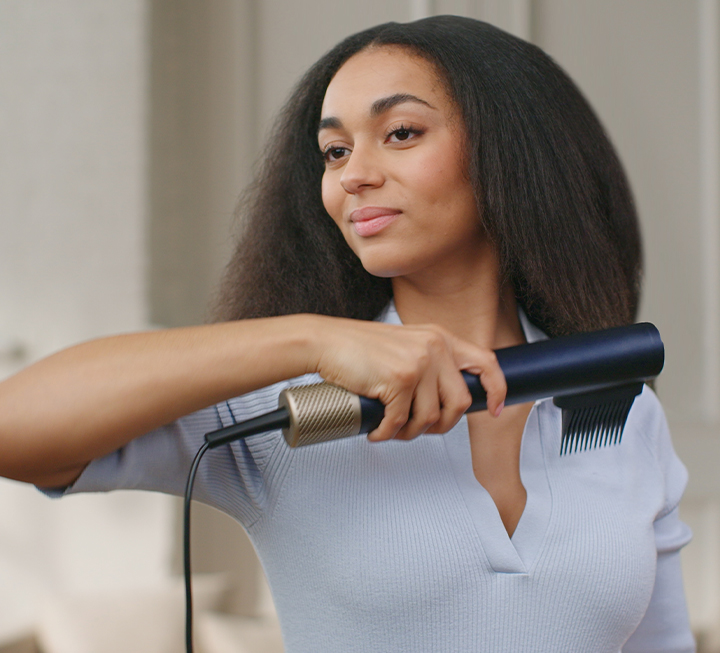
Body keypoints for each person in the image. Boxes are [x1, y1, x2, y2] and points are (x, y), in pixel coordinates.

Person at [0, 15, 694, 653]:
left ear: (507, 153)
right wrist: (307, 339)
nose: (353, 176)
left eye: (400, 133)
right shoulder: (294, 406)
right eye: (333, 151)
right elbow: (13, 426)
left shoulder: (624, 411)